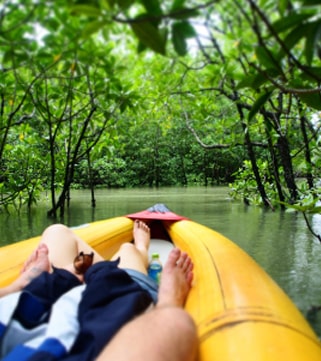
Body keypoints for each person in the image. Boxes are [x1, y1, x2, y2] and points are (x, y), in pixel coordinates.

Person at [0, 220, 197, 361]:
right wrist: (169, 303)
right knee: (126, 251)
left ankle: (25, 283)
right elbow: (171, 331)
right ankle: (140, 248)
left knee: (57, 231)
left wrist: (16, 287)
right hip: (114, 303)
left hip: (38, 300)